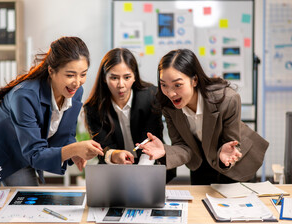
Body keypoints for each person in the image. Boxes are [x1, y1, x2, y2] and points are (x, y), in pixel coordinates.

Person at [0, 36, 104, 186]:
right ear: (51, 71)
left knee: (26, 202)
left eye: (83, 74)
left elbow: (65, 135)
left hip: (22, 154)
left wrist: (74, 153)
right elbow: (35, 153)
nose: (77, 82)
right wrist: (73, 149)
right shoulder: (24, 96)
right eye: (70, 75)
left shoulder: (74, 91)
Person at [139, 49, 268, 185]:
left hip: (235, 161)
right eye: (164, 85)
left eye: (177, 85)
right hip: (201, 162)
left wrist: (223, 152)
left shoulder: (227, 100)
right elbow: (183, 146)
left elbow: (231, 143)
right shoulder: (169, 107)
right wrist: (165, 150)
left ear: (194, 80)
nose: (170, 93)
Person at [83, 48, 176, 182]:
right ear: (104, 78)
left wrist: (139, 174)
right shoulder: (93, 108)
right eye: (114, 78)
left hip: (149, 166)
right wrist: (114, 155)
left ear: (134, 76)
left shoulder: (151, 97)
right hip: (114, 171)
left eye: (127, 77)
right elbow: (102, 147)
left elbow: (151, 140)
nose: (121, 85)